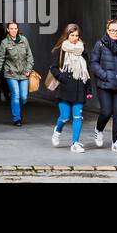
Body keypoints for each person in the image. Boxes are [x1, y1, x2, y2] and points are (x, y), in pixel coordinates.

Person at [90, 19, 117, 151]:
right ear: (107, 31)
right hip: (104, 84)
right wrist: (104, 75)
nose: (115, 33)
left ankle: (116, 142)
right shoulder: (100, 45)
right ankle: (98, 129)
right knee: (106, 111)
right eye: (112, 30)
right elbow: (94, 63)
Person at [49, 24, 91, 153]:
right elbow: (53, 68)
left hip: (79, 87)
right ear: (67, 35)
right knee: (65, 116)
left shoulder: (83, 51)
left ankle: (75, 143)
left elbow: (86, 71)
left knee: (78, 117)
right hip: (65, 87)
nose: (74, 38)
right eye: (72, 35)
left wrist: (88, 90)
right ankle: (58, 130)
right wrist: (63, 78)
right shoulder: (60, 50)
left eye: (77, 35)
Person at [0, 21, 34, 126]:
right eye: (11, 28)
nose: (14, 30)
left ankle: (18, 112)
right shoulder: (4, 43)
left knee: (23, 97)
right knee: (16, 95)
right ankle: (17, 118)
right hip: (10, 73)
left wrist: (29, 69)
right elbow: (0, 59)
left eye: (15, 28)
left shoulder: (24, 40)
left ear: (18, 29)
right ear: (8, 30)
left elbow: (30, 57)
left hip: (24, 73)